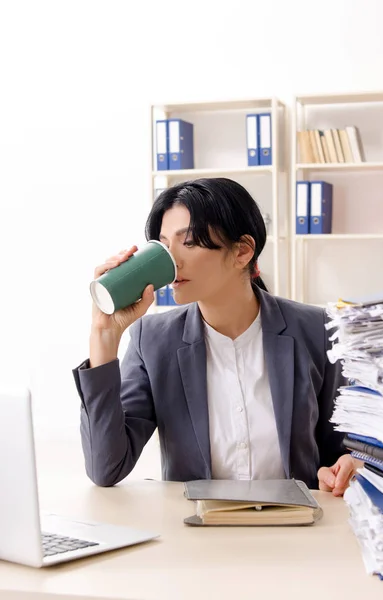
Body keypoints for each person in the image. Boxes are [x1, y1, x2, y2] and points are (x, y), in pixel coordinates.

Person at [73, 177, 359, 495]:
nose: (172, 261)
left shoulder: (316, 329)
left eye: (189, 242)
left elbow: (344, 449)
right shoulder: (152, 340)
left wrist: (346, 468)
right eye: (164, 246)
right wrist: (104, 335)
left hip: (296, 526)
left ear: (242, 252)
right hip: (197, 531)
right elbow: (106, 467)